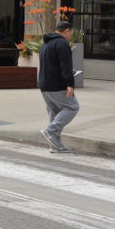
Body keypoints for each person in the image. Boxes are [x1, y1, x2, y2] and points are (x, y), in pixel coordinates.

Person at [38, 20, 78, 153]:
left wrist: (67, 73)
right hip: (57, 84)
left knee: (55, 113)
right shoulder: (62, 43)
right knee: (72, 107)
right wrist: (70, 84)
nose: (70, 36)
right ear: (67, 31)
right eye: (71, 33)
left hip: (45, 84)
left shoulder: (46, 43)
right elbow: (65, 64)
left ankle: (55, 145)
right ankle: (50, 131)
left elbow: (52, 64)